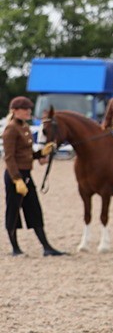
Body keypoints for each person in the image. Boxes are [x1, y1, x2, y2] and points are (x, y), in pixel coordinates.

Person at [3, 96, 64, 256]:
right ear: (15, 111)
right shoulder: (11, 129)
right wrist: (16, 179)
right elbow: (9, 157)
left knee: (34, 210)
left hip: (26, 174)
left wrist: (40, 153)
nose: (29, 111)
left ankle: (46, 247)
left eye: (29, 109)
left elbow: (26, 153)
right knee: (13, 211)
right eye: (25, 109)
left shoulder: (24, 127)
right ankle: (15, 248)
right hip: (15, 175)